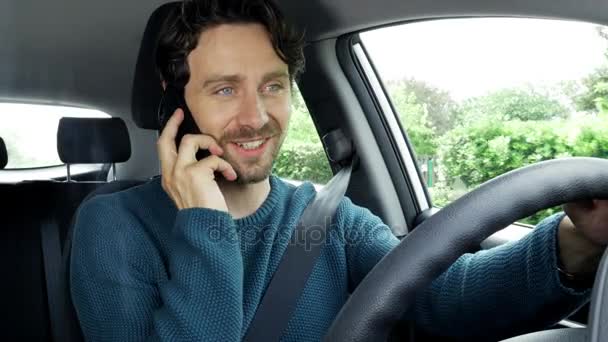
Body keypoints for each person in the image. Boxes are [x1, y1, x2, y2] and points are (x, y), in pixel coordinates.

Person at [70, 0, 608, 340]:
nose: (257, 117)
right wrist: (206, 225)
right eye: (225, 88)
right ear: (174, 105)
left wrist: (576, 241)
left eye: (273, 85)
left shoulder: (325, 219)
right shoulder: (113, 227)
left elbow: (449, 298)